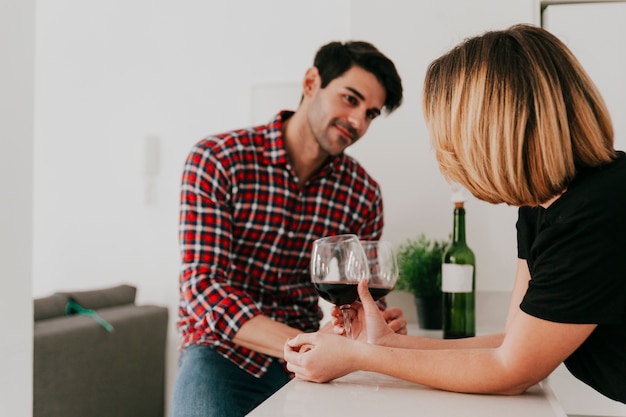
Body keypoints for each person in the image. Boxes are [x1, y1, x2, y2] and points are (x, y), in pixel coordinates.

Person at [284, 23, 626, 404]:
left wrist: (360, 355)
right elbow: (514, 342)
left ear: (492, 129)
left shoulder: (599, 212)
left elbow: (511, 370)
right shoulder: (541, 208)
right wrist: (388, 345)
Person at [170, 40, 407, 417]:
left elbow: (359, 302)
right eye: (350, 99)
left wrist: (375, 323)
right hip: (220, 353)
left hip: (313, 362)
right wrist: (303, 342)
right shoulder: (217, 159)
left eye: (371, 113)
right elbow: (204, 288)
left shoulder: (362, 193)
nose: (358, 121)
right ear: (312, 82)